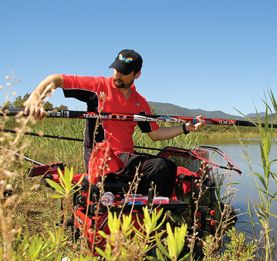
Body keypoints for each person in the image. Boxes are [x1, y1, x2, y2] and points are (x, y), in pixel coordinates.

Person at [24, 49, 205, 196]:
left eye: (124, 72)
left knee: (167, 167)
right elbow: (56, 79)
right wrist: (35, 98)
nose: (117, 75)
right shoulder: (97, 87)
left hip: (125, 159)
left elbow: (156, 135)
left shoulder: (139, 103)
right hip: (100, 157)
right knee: (158, 167)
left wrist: (185, 128)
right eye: (116, 69)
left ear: (137, 74)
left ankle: (153, 215)